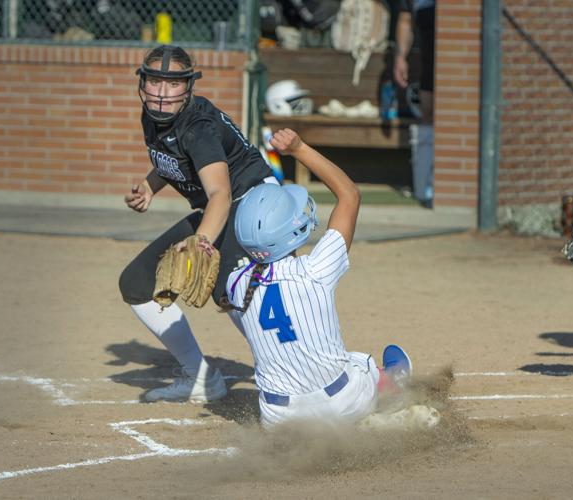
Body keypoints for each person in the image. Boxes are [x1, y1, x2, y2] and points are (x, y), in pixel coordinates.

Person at [119, 45, 279, 403]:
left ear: (188, 87)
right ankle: (200, 378)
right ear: (142, 84)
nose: (161, 93)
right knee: (136, 284)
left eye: (172, 84)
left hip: (254, 203)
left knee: (233, 293)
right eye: (155, 82)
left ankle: (288, 373)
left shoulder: (199, 126)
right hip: (221, 206)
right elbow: (172, 159)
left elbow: (220, 193)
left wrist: (202, 240)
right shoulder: (155, 117)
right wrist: (150, 186)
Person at [226, 128, 413, 427]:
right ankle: (391, 387)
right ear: (291, 232)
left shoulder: (235, 284)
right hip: (343, 403)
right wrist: (299, 148)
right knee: (358, 362)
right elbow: (349, 194)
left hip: (279, 420)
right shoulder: (315, 269)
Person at [394, 0, 435, 208]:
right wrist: (401, 57)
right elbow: (405, 19)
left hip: (461, 64)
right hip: (430, 64)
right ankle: (425, 187)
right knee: (427, 112)